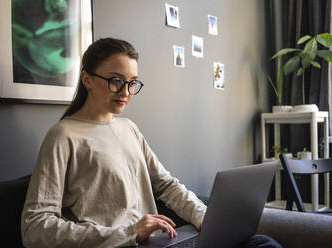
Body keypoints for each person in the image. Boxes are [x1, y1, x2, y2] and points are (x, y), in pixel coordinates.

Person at [21, 37, 282, 248]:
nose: (125, 92)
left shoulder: (128, 128)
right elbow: (35, 226)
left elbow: (167, 185)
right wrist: (129, 232)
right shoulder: (63, 136)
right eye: (116, 81)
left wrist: (204, 217)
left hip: (157, 243)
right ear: (87, 79)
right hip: (120, 244)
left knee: (261, 243)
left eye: (132, 83)